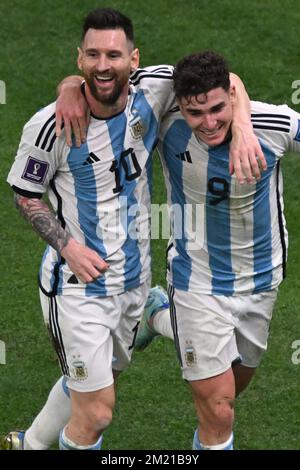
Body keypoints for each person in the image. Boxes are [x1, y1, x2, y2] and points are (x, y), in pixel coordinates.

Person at [5, 7, 262, 450]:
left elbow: (226, 79)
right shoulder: (51, 125)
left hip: (133, 280)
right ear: (79, 59)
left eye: (113, 55)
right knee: (98, 410)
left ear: (134, 58)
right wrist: (69, 248)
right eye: (93, 55)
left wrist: (243, 125)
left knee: (89, 385)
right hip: (76, 286)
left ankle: (28, 443)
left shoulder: (157, 88)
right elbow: (25, 193)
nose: (103, 65)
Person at [135, 50, 300, 450]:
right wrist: (69, 86)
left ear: (231, 94)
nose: (208, 123)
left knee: (232, 387)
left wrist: (243, 121)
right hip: (197, 279)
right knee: (219, 406)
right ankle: (170, 313)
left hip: (261, 279)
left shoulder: (271, 124)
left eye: (218, 109)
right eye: (196, 113)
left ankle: (156, 315)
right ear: (181, 107)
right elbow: (105, 75)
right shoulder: (167, 121)